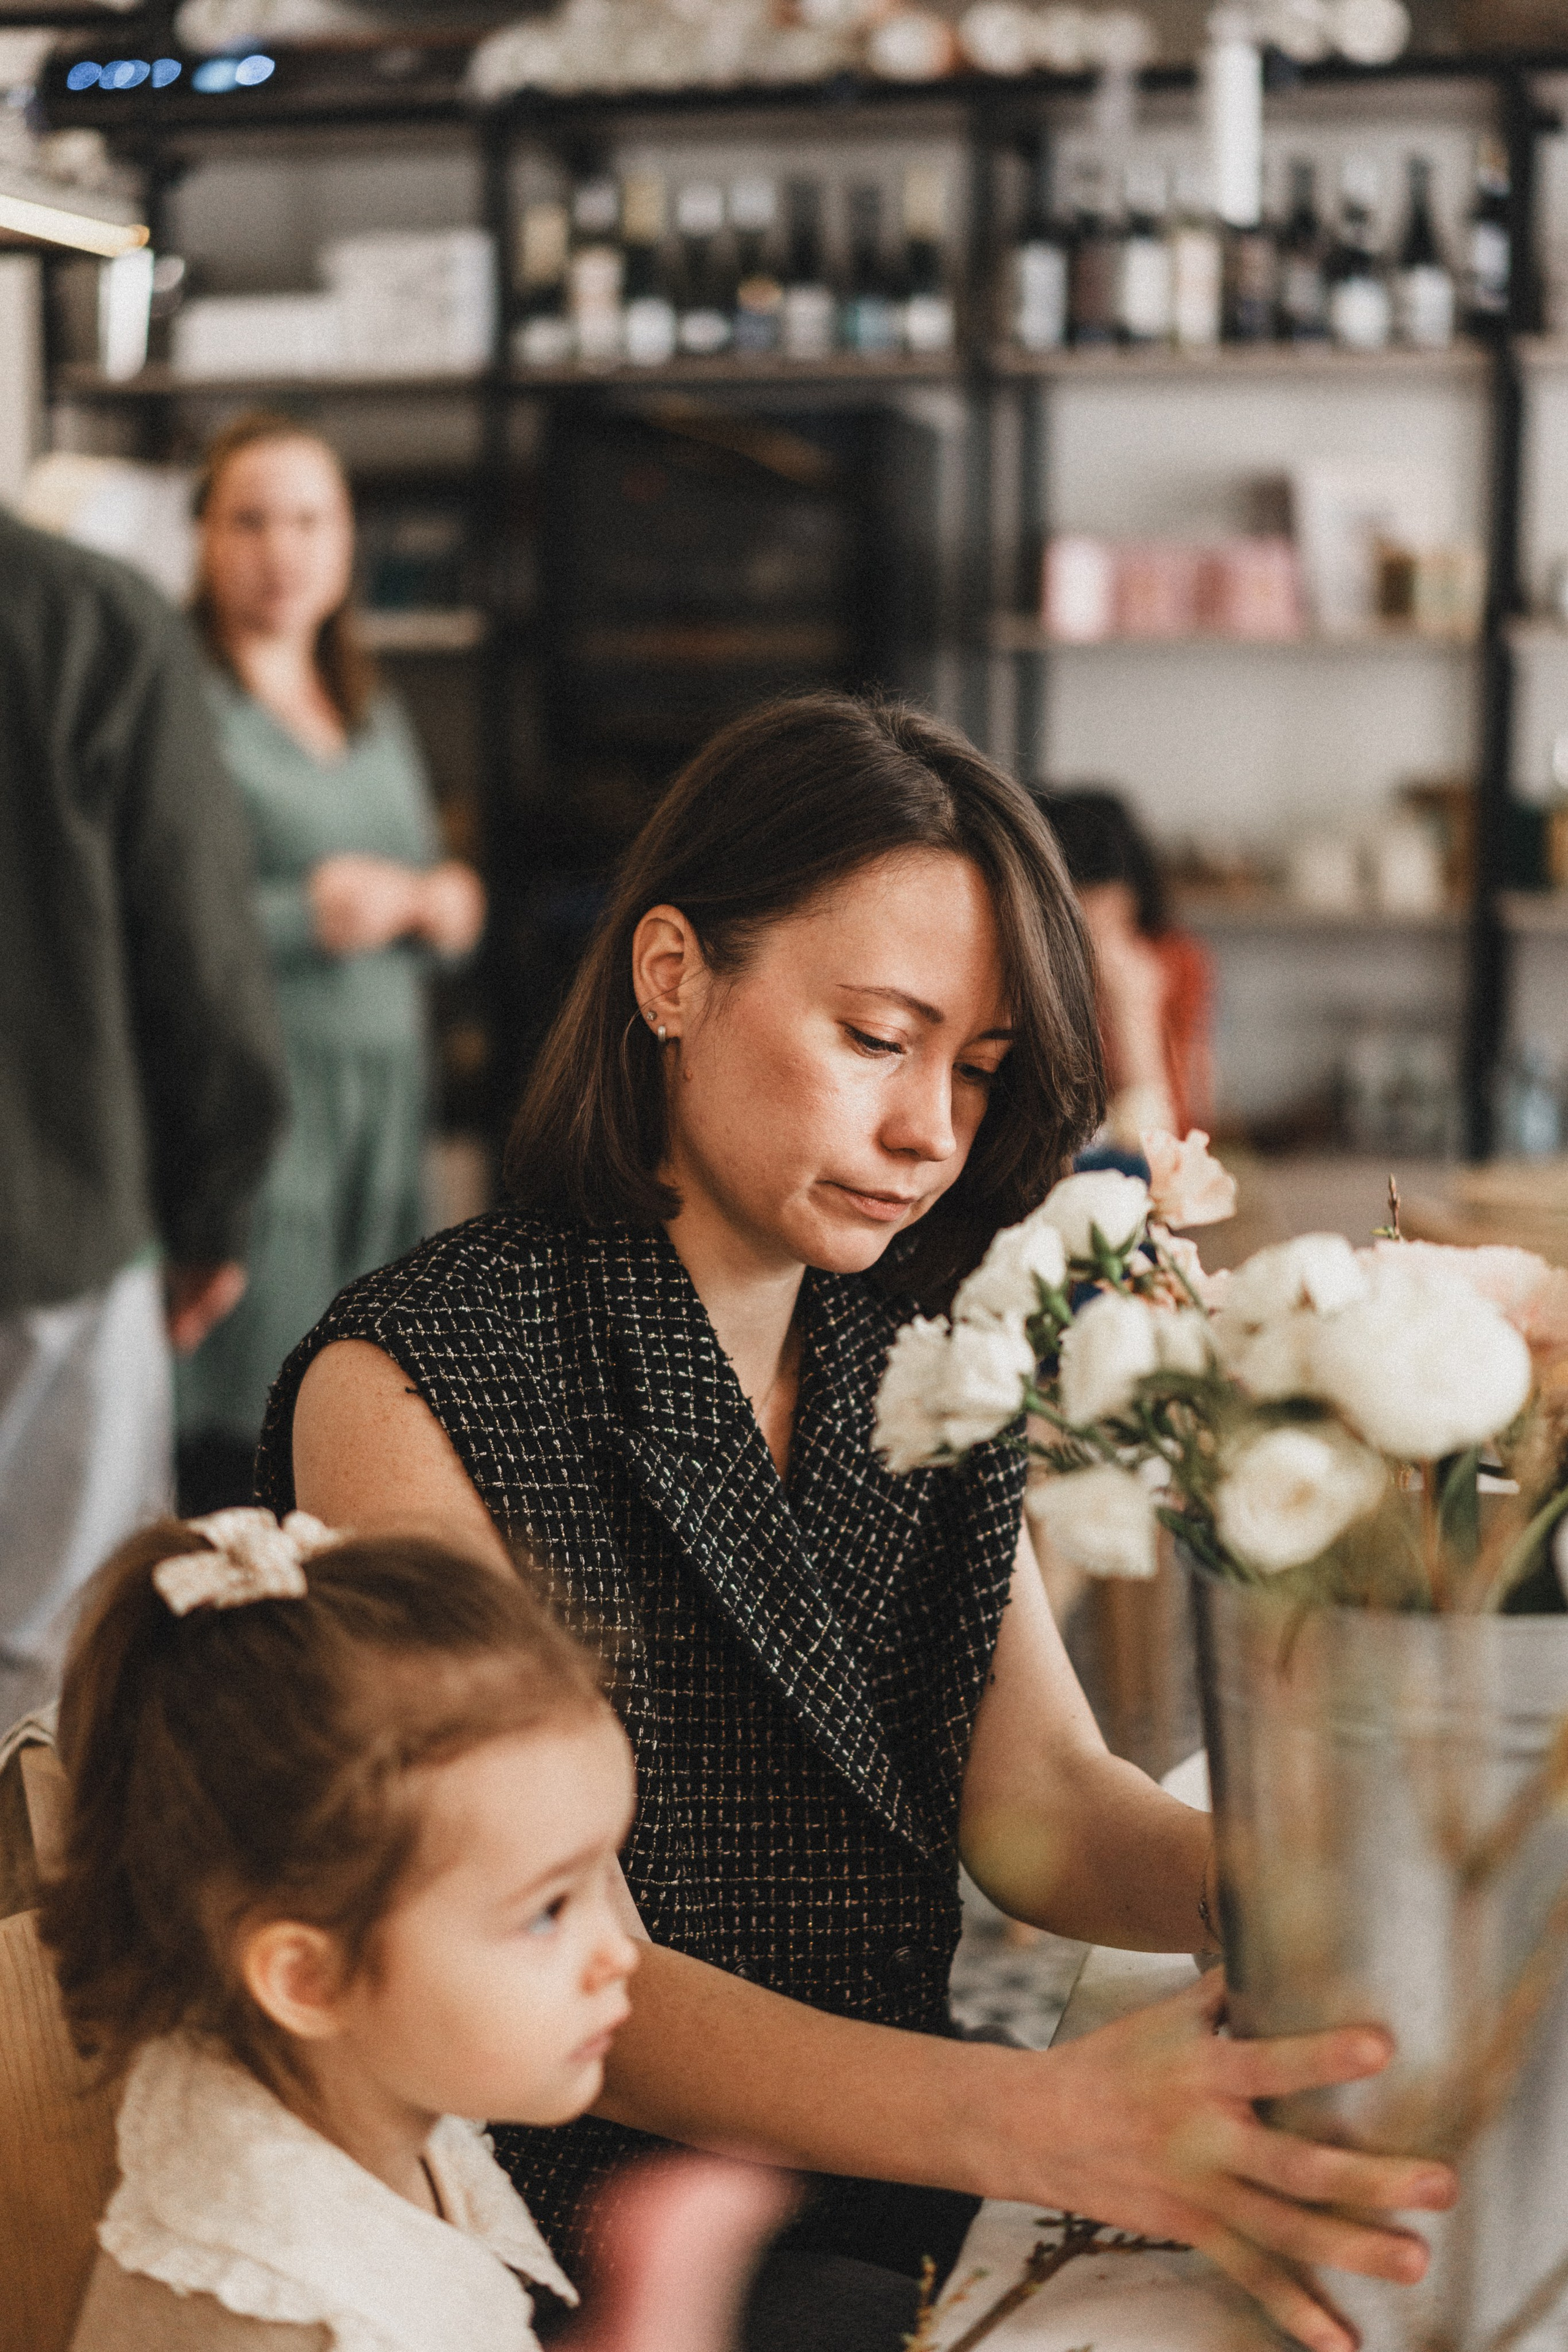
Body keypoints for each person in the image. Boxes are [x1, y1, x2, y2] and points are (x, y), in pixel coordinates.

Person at [257, 693, 1457, 2352]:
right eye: (877, 1040)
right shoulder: (413, 1380)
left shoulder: (916, 1346)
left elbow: (1039, 1802)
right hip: (560, 2229)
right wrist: (1022, 2118)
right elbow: (549, 1960)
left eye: (972, 1071)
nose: (928, 1134)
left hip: (888, 2181)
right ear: (671, 975)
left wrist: (1328, 1893)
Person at [42, 1504, 788, 2351]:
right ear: (308, 1980)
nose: (616, 1953)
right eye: (548, 1911)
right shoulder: (269, 2312)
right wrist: (655, 2316)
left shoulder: (349, 2094)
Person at [0, 507, 286, 1732]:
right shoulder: (87, 617)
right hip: (53, 1220)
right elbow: (199, 955)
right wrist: (210, 1208)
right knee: (58, 1679)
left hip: (59, 1208)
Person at [175, 415, 486, 1514]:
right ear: (204, 537)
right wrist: (307, 917)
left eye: (310, 519)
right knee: (251, 1435)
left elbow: (426, 870)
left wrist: (448, 899)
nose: (283, 549)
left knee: (365, 1408)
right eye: (250, 519)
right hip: (269, 1119)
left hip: (383, 1117)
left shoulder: (369, 705)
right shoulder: (184, 709)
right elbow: (156, 922)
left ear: (348, 539)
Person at [1039, 786, 1215, 1153]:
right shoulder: (1031, 967)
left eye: (1105, 903)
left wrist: (1132, 1014)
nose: (1089, 929)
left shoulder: (1175, 960)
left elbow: (1170, 1144)